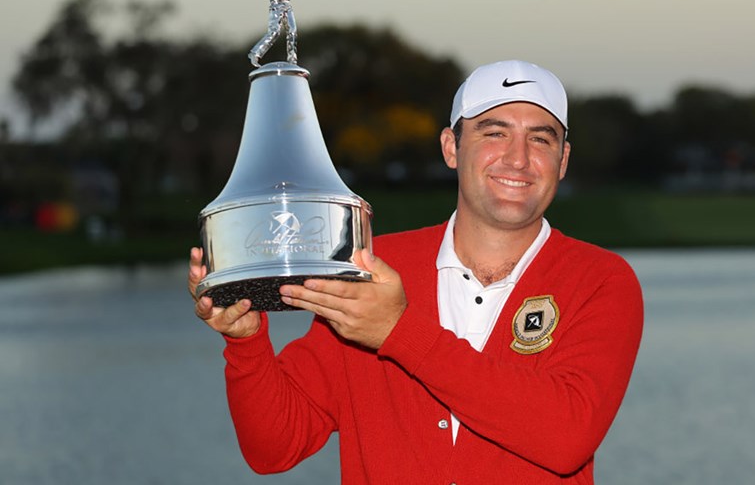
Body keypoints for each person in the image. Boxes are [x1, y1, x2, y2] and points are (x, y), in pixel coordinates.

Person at [189, 60, 644, 484]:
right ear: (452, 147)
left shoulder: (601, 279)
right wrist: (246, 342)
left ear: (562, 161)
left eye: (541, 139)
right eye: (494, 133)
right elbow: (275, 447)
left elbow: (565, 438)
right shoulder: (371, 268)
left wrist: (397, 331)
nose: (518, 158)